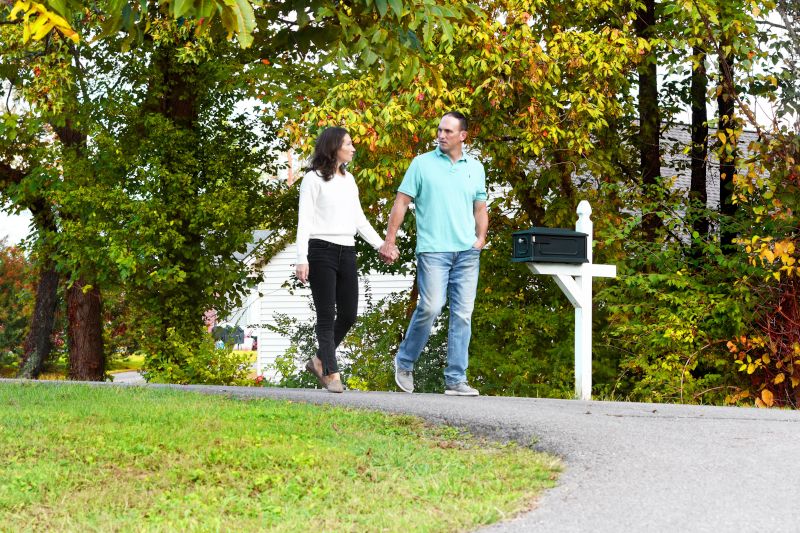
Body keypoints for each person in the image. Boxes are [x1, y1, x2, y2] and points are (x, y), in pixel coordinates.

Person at [379, 111, 488, 396]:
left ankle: (455, 380)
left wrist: (480, 239)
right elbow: (401, 203)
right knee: (430, 307)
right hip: (433, 251)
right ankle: (404, 362)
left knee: (463, 315)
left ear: (463, 136)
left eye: (448, 132)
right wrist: (390, 241)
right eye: (439, 130)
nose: (441, 135)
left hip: (466, 253)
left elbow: (480, 207)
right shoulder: (422, 164)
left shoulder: (475, 167)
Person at [296, 126, 397, 393]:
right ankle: (331, 372)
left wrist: (382, 246)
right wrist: (301, 259)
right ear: (334, 148)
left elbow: (359, 220)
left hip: (347, 250)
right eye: (349, 144)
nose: (353, 148)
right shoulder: (313, 180)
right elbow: (304, 222)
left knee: (349, 314)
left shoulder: (349, 180)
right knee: (326, 314)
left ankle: (318, 360)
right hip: (320, 251)